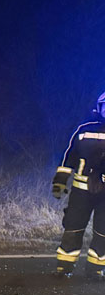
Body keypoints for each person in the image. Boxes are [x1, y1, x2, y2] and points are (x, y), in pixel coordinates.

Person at [52, 91, 105, 279]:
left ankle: (96, 269)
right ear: (98, 108)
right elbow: (69, 157)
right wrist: (60, 181)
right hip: (81, 192)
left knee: (103, 232)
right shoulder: (84, 130)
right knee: (73, 227)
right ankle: (64, 267)